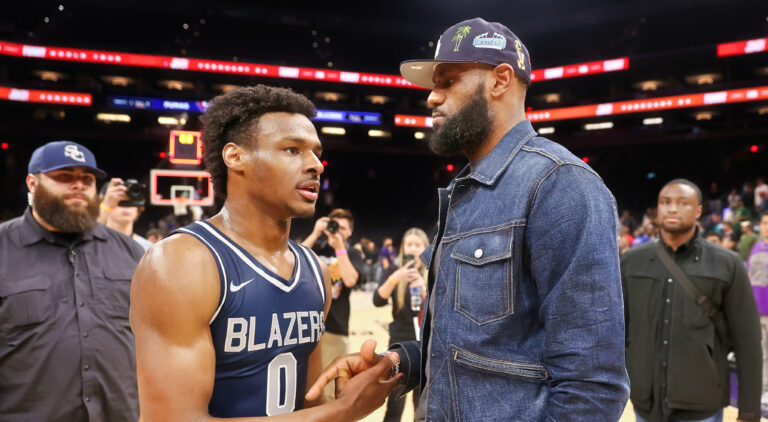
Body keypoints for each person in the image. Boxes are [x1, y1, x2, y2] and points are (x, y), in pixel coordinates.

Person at [310, 17, 630, 421]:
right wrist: (401, 361)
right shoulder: (468, 189)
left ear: (500, 81)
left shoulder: (560, 184)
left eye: (447, 81)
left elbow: (592, 385)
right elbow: (479, 343)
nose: (431, 97)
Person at [130, 85, 401, 421]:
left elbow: (309, 403)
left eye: (316, 152)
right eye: (292, 150)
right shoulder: (182, 262)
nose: (316, 164)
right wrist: (343, 411)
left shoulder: (313, 269)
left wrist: (339, 395)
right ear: (235, 156)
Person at [0, 140, 145, 421]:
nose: (78, 185)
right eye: (63, 177)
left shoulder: (129, 251)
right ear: (32, 183)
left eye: (86, 179)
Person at [622, 179, 761, 422]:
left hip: (702, 405)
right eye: (665, 202)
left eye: (682, 203)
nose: (672, 208)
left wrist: (748, 412)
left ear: (698, 211)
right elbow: (618, 332)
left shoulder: (727, 263)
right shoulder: (631, 262)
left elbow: (747, 341)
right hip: (644, 404)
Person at [301, 208, 368, 400]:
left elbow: (349, 280)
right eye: (334, 227)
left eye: (343, 228)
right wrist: (315, 233)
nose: (338, 231)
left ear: (350, 232)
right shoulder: (318, 248)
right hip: (308, 326)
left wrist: (340, 248)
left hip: (336, 330)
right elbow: (293, 261)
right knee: (304, 389)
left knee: (330, 392)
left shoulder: (353, 253)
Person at [372, 228, 428, 422]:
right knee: (394, 406)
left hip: (425, 346)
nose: (412, 248)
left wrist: (423, 288)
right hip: (399, 346)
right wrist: (396, 278)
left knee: (421, 407)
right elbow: (377, 300)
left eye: (417, 244)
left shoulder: (432, 272)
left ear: (425, 247)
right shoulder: (393, 271)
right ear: (403, 247)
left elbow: (438, 309)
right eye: (409, 244)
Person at [747, 211, 768, 408]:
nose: (766, 226)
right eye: (764, 223)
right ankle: (763, 390)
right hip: (756, 309)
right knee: (761, 353)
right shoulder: (756, 247)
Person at [99, 178, 153, 250]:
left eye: (132, 201)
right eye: (120, 201)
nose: (126, 206)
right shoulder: (93, 245)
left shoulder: (149, 249)